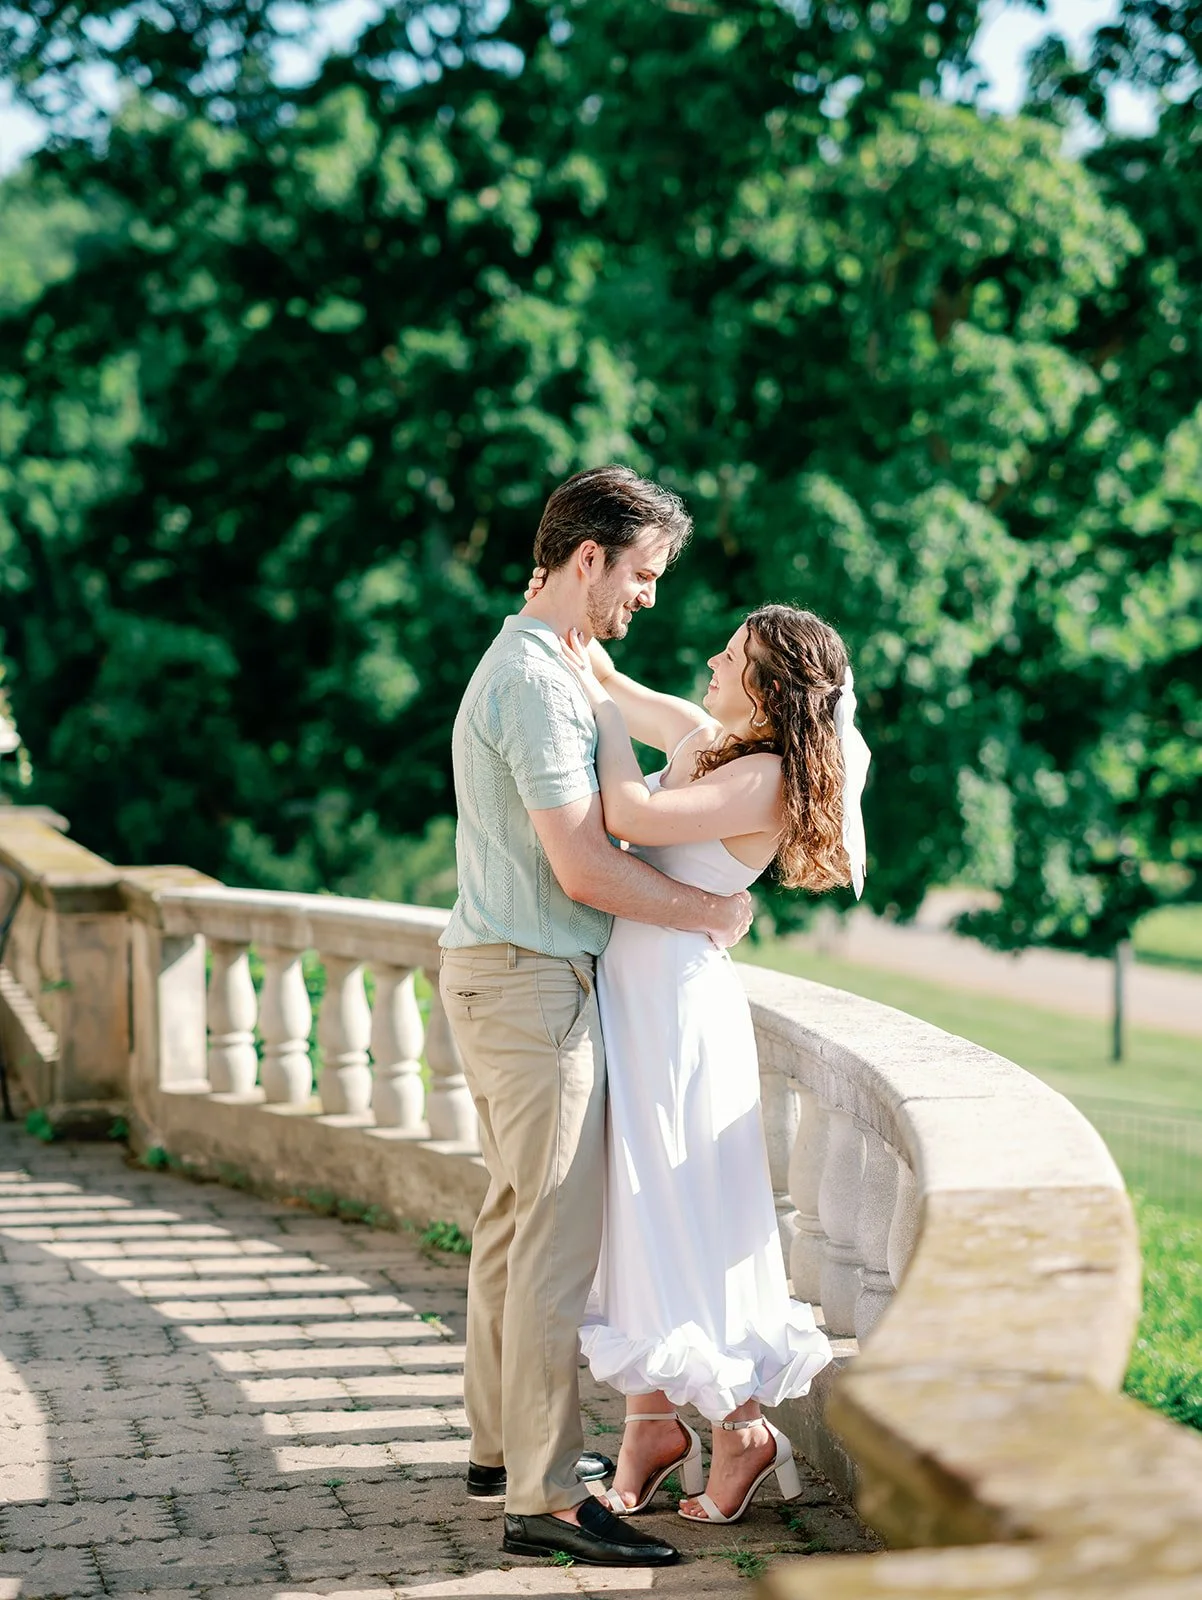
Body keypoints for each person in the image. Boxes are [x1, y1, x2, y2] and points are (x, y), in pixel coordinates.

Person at [438, 466, 754, 1569]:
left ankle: (499, 1449)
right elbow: (582, 866)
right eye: (642, 574)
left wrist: (766, 748)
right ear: (588, 560)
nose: (650, 597)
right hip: (531, 984)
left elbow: (662, 719)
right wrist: (712, 908)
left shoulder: (555, 657)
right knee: (553, 1251)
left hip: (500, 974)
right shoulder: (535, 681)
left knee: (513, 1224)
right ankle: (542, 1500)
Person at [553, 600, 871, 1526]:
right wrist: (577, 650)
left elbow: (632, 814)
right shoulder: (712, 740)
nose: (710, 661)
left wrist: (602, 718)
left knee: (673, 1205)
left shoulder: (764, 777)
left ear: (770, 694)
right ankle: (651, 1426)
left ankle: (741, 1430)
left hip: (680, 1011)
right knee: (632, 1203)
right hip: (638, 992)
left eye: (731, 657)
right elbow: (618, 687)